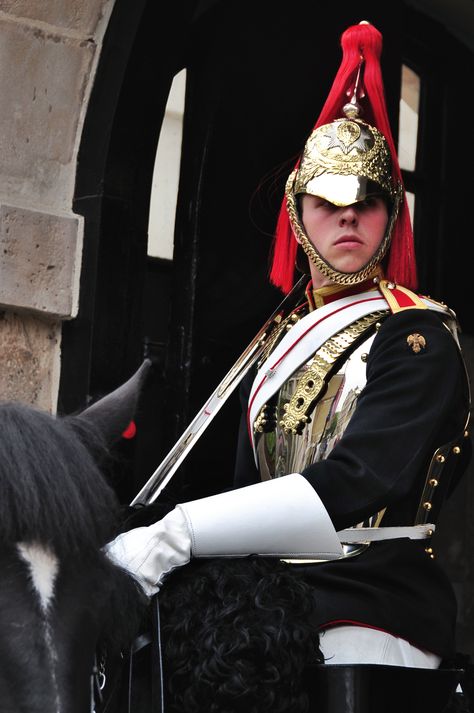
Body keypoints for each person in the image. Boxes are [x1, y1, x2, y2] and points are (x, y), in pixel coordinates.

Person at [107, 21, 471, 676]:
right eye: (327, 201)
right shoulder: (279, 335)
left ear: (392, 214)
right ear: (297, 214)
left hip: (368, 598)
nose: (349, 216)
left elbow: (356, 480)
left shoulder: (418, 337)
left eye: (367, 199)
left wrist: (181, 533)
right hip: (264, 597)